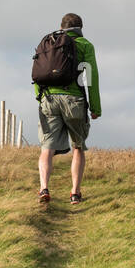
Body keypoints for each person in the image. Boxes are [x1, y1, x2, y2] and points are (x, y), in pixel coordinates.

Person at [33, 12, 101, 205]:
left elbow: (38, 74)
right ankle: (74, 193)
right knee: (78, 147)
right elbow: (91, 78)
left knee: (47, 147)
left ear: (61, 27)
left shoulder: (49, 42)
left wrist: (40, 98)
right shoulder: (85, 45)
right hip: (74, 100)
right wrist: (95, 107)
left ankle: (44, 188)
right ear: (80, 28)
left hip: (49, 99)